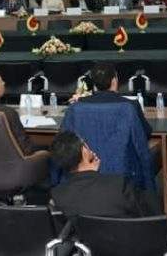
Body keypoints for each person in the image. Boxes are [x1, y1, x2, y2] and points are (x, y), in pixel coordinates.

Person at [60, 63, 154, 191]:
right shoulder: (130, 106)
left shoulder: (76, 108)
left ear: (93, 84)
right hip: (123, 178)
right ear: (114, 81)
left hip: (84, 178)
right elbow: (144, 135)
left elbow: (62, 143)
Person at [50, 131, 159, 223]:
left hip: (86, 242)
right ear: (84, 151)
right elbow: (148, 218)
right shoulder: (119, 186)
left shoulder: (57, 196)